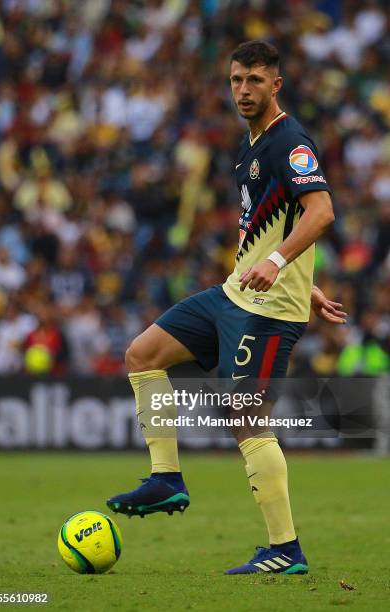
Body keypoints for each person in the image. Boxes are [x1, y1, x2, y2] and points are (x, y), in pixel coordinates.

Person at [107, 41, 347, 575]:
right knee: (142, 354)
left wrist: (284, 267)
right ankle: (166, 479)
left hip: (266, 311)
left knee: (246, 418)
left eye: (255, 80)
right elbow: (278, 226)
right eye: (237, 79)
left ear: (276, 84)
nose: (243, 90)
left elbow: (322, 211)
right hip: (235, 292)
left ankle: (285, 549)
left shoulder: (290, 141)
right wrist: (302, 279)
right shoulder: (251, 144)